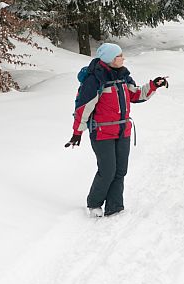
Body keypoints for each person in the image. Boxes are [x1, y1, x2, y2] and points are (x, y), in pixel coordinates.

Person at [66, 43, 168, 217]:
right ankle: (94, 204)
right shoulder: (95, 80)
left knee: (120, 170)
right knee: (107, 171)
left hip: (122, 131)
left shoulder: (123, 76)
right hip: (102, 133)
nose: (123, 58)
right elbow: (84, 108)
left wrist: (153, 85)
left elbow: (135, 95)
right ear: (110, 58)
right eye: (120, 55)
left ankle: (115, 206)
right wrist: (77, 133)